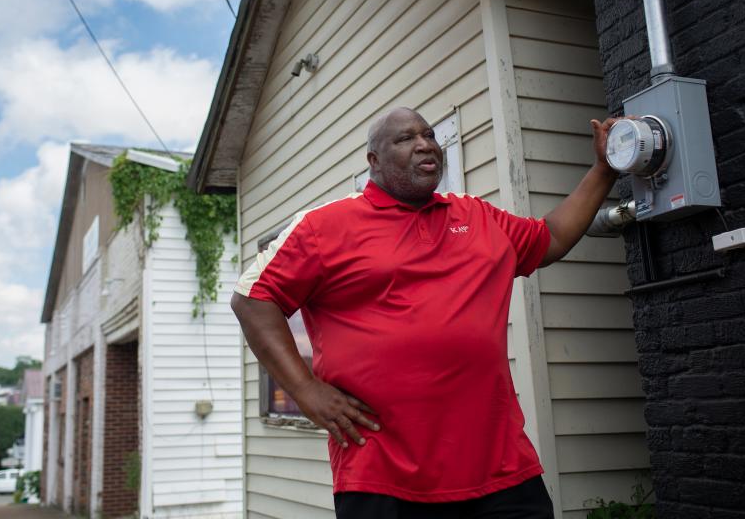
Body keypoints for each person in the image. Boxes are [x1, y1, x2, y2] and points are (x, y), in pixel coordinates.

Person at [231, 107, 620, 519]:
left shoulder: (476, 216)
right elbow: (252, 299)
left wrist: (605, 170)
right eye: (404, 139)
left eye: (429, 135)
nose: (423, 144)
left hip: (501, 470)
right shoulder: (324, 226)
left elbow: (553, 237)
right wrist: (306, 390)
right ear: (373, 161)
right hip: (383, 476)